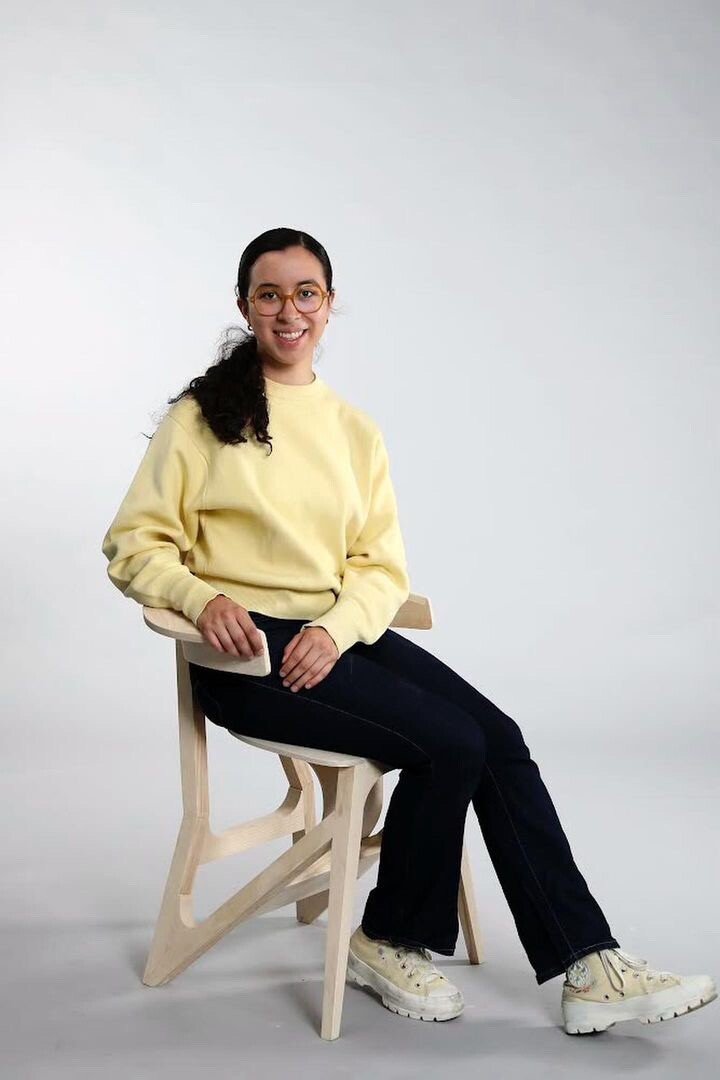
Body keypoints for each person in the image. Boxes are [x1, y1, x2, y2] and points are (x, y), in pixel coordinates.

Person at [101, 226, 716, 1035]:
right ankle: (386, 940)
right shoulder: (200, 419)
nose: (289, 311)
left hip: (331, 636)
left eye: (306, 293)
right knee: (450, 742)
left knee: (497, 735)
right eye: (269, 294)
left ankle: (589, 964)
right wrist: (201, 599)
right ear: (244, 306)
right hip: (245, 655)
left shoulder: (352, 429)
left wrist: (335, 628)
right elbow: (134, 543)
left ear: (329, 303)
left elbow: (380, 568)